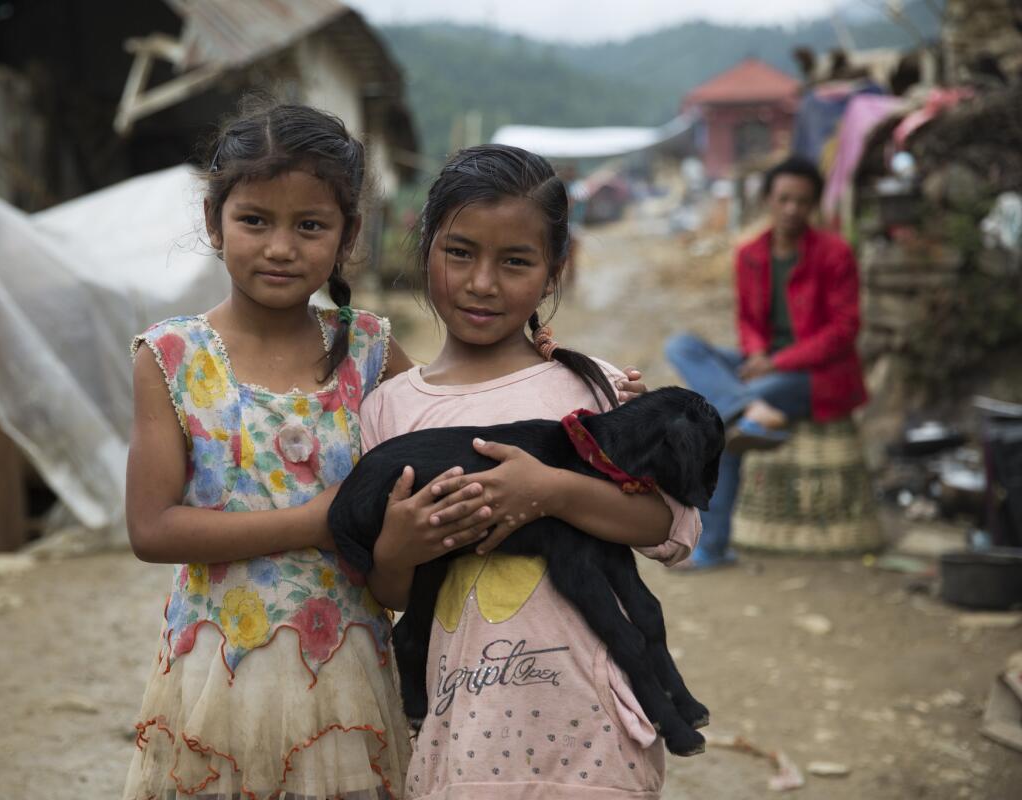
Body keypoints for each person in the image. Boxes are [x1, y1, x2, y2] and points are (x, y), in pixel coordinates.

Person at [121, 103, 649, 799]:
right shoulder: (173, 356)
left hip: (350, 667)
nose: (281, 247)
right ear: (213, 218)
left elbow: (454, 417)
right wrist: (318, 522)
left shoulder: (366, 350)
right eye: (256, 220)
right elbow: (152, 528)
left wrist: (542, 367)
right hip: (219, 670)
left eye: (310, 225)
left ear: (348, 235)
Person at [360, 144, 702, 799]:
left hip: (593, 737)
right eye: (459, 252)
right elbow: (387, 592)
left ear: (554, 272)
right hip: (460, 737)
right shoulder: (392, 410)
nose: (482, 283)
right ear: (424, 247)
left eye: (515, 261)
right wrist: (398, 549)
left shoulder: (591, 388)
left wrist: (552, 491)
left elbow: (672, 527)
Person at [664, 155, 867, 570]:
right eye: (784, 199)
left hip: (818, 373)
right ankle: (747, 408)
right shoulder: (751, 253)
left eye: (802, 201)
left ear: (813, 205)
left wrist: (778, 362)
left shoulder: (834, 253)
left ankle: (713, 547)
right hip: (764, 365)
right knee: (681, 346)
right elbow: (748, 320)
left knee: (718, 421)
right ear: (769, 200)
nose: (792, 208)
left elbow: (843, 331)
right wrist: (757, 354)